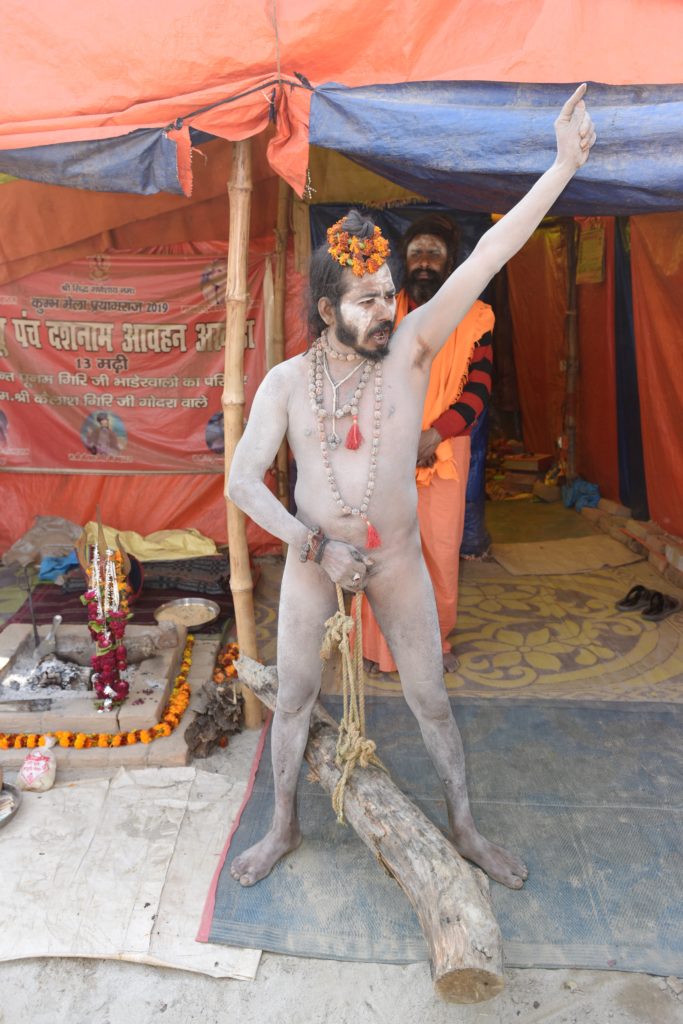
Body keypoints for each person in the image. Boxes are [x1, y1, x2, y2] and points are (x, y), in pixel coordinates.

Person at [228, 86, 595, 891]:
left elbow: (488, 258)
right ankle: (281, 824)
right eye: (367, 301)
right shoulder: (286, 384)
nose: (388, 308)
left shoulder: (412, 351)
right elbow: (243, 484)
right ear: (328, 309)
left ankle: (463, 827)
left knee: (430, 699)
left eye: (390, 293)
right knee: (292, 700)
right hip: (313, 561)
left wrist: (562, 167)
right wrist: (312, 544)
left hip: (393, 559)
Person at [361, 214, 494, 674]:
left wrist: (434, 433)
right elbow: (359, 379)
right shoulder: (379, 312)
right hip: (383, 452)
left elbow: (479, 388)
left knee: (437, 552)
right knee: (383, 552)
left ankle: (433, 643)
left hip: (443, 451)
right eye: (416, 252)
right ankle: (379, 649)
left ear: (450, 261)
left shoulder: (474, 315)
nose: (423, 262)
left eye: (433, 254)